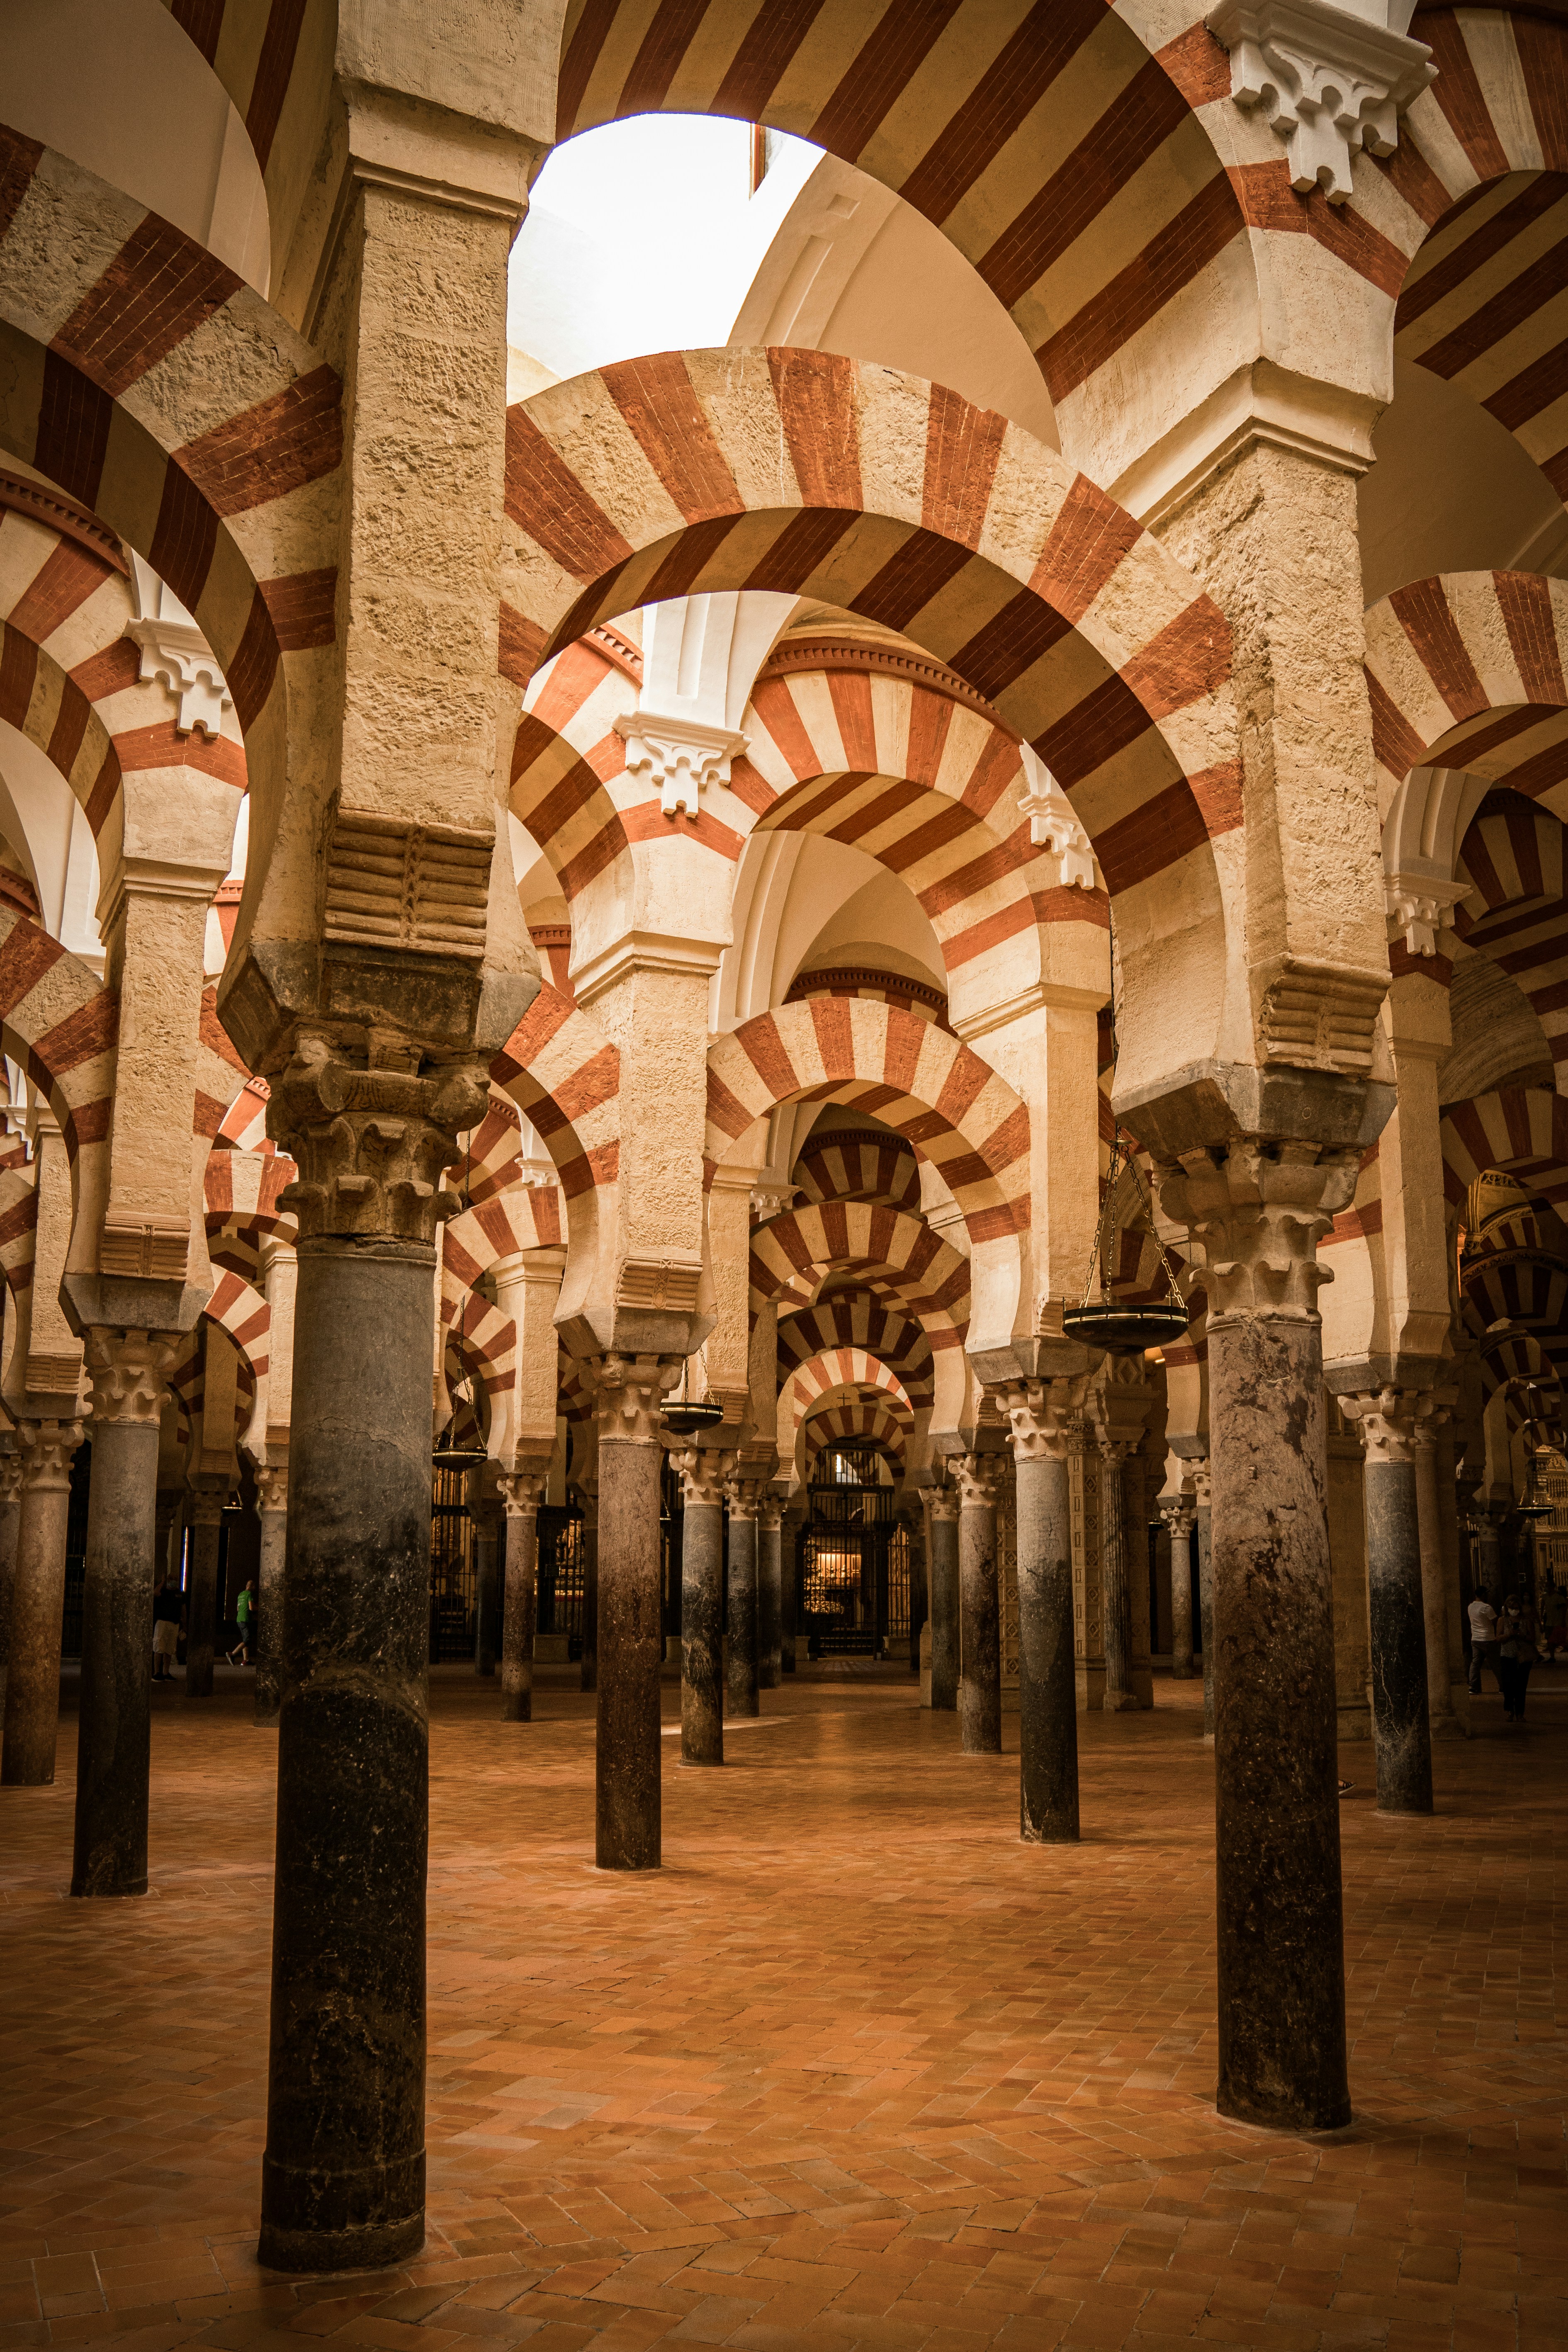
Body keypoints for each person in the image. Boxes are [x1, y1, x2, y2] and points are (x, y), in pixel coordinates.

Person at [1495, 1595, 1539, 1724]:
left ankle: (1520, 1713)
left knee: (1521, 1686)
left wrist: (1523, 1635)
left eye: (1517, 1608)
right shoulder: (1502, 1620)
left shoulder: (1527, 1620)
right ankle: (1510, 1711)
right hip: (1507, 1655)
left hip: (1524, 1657)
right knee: (1508, 1685)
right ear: (1507, 1608)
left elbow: (1532, 1639)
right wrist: (1509, 1635)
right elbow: (1498, 1638)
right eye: (1512, 1608)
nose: (1515, 1610)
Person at [1467, 1587, 1498, 1694]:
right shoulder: (1486, 1608)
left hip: (1475, 1639)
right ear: (1483, 1595)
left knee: (1475, 1664)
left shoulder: (1470, 1607)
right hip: (1488, 1639)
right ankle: (1503, 1686)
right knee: (1496, 1664)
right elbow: (1496, 1622)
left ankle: (1473, 1686)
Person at [151, 1575, 181, 1681]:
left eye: (176, 1579)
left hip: (175, 1624)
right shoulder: (163, 1592)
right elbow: (154, 1594)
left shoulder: (180, 1594)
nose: (174, 1582)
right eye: (172, 1579)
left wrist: (184, 1623)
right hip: (162, 1622)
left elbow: (184, 1608)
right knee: (159, 1648)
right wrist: (162, 1582)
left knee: (170, 1649)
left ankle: (166, 1672)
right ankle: (157, 1673)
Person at [228, 1579, 256, 1666]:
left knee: (245, 1639)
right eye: (254, 1586)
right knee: (247, 1640)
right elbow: (252, 1608)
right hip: (246, 1619)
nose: (255, 1588)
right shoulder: (249, 1594)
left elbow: (238, 1609)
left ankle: (246, 1660)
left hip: (239, 1619)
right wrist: (260, 1608)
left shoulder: (241, 1595)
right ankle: (232, 1654)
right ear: (251, 1587)